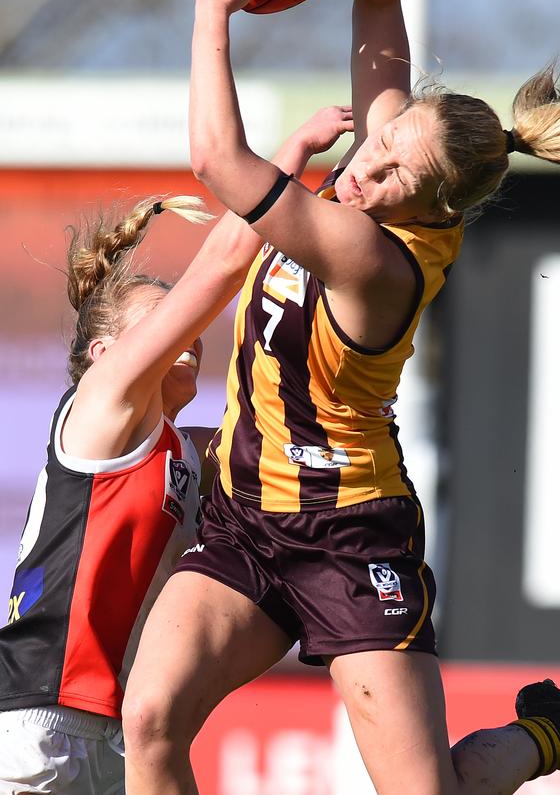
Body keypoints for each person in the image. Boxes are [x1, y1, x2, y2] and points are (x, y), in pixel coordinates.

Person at [122, 0, 560, 794]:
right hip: (246, 515)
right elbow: (376, 5)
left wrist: (210, 10)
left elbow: (219, 161)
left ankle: (548, 733)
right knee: (149, 721)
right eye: (384, 138)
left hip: (345, 534)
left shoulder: (376, 259)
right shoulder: (381, 163)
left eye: (397, 170)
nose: (369, 166)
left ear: (430, 207)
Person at [0, 104, 353, 795]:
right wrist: (297, 154)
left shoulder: (188, 452)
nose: (183, 331)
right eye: (156, 319)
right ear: (105, 353)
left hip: (115, 732)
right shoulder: (101, 408)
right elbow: (221, 266)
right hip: (39, 722)